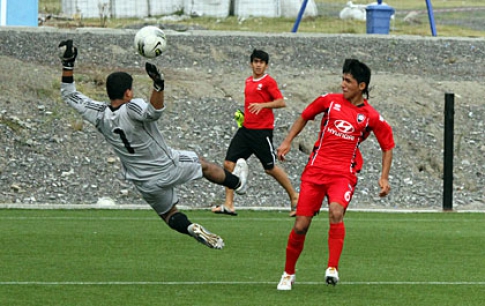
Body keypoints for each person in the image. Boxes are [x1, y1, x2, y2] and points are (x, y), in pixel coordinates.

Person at [58, 39, 248, 250]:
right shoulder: (132, 107)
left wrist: (68, 63)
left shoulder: (99, 114)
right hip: (167, 166)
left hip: (143, 181)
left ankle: (191, 228)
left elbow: (69, 94)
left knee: (169, 214)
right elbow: (153, 113)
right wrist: (158, 85)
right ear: (128, 93)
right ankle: (238, 183)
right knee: (202, 164)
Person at [276, 59, 395, 290]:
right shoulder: (329, 102)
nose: (342, 84)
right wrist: (287, 141)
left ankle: (332, 268)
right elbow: (304, 115)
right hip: (315, 171)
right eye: (342, 79)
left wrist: (384, 177)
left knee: (336, 211)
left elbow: (388, 145)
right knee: (301, 226)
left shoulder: (370, 116)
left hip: (343, 174)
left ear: (361, 86)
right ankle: (288, 273)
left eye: (348, 81)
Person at [212, 49, 299, 217]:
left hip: (261, 132)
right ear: (251, 63)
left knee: (270, 168)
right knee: (229, 163)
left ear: (266, 65)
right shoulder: (248, 81)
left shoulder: (268, 82)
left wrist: (263, 105)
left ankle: (295, 197)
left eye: (261, 62)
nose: (258, 65)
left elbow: (281, 102)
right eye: (256, 62)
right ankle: (229, 204)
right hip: (246, 130)